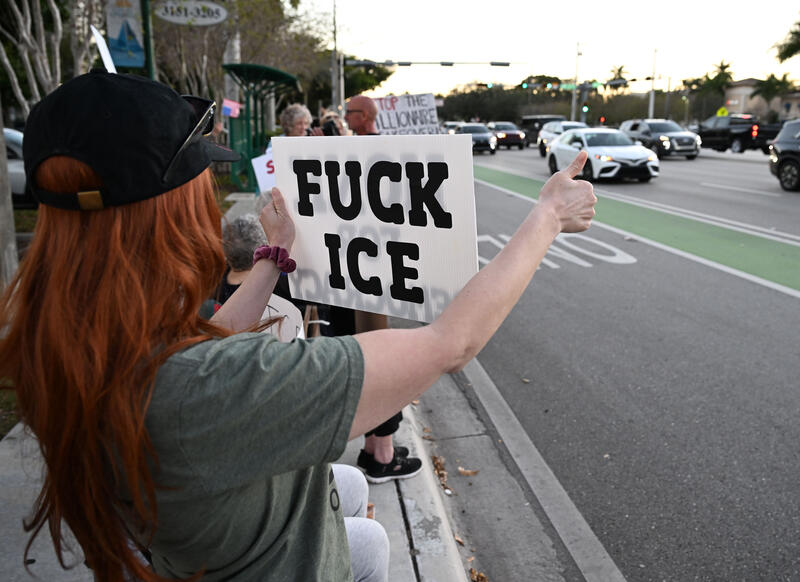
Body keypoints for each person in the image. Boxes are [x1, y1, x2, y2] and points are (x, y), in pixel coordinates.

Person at [1, 71, 596, 582]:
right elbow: (451, 342)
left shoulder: (60, 342)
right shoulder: (218, 390)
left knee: (357, 504)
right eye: (198, 184)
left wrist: (272, 257)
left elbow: (197, 345)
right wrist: (545, 218)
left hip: (202, 548)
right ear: (162, 218)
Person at [343, 93, 422, 483]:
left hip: (373, 265)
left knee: (374, 356)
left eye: (351, 112)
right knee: (375, 361)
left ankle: (378, 446)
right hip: (355, 266)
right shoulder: (347, 147)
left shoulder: (381, 149)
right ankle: (381, 454)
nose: (345, 117)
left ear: (368, 115)